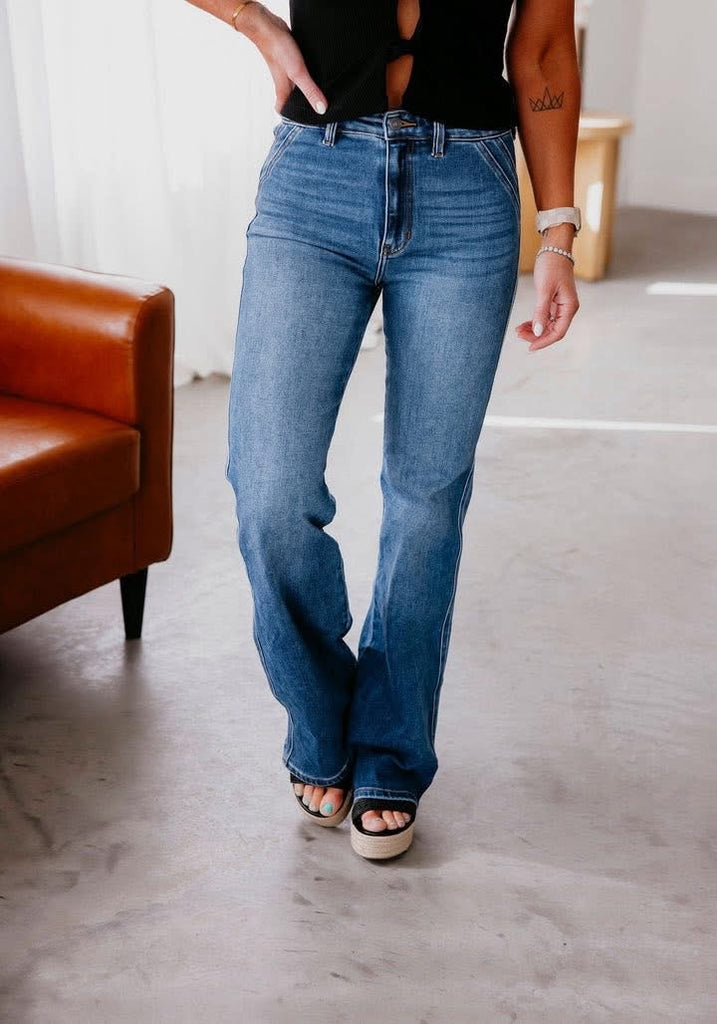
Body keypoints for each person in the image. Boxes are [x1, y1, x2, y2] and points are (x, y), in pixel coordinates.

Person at [188, 0, 581, 860]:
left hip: (465, 189)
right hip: (313, 183)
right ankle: (319, 715)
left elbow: (545, 46)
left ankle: (391, 749)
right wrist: (254, 22)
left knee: (426, 498)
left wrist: (557, 230)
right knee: (269, 489)